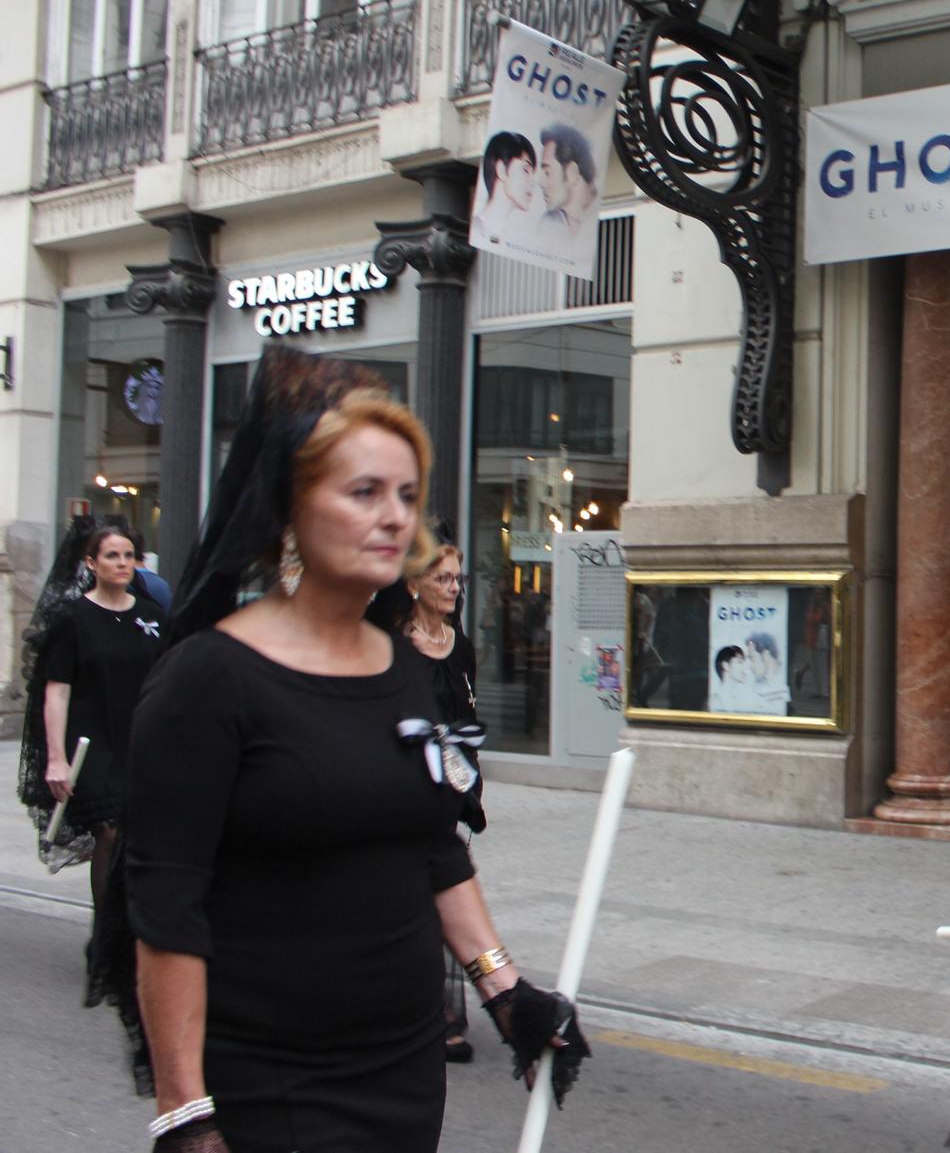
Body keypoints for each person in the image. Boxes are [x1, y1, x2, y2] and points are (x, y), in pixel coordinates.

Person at [125, 346, 586, 1152]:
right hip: (266, 1080)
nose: (395, 517)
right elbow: (168, 908)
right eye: (364, 491)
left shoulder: (402, 668)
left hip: (403, 1071)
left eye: (407, 494)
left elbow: (432, 847)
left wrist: (506, 990)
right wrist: (184, 1112)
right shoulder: (208, 678)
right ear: (292, 505)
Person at [16, 517, 166, 1058]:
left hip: (141, 744)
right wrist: (56, 758)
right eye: (112, 556)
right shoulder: (74, 619)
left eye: (129, 556)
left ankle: (129, 937)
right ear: (91, 564)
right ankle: (108, 943)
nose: (122, 565)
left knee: (137, 840)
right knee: (110, 832)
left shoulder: (152, 618)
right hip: (91, 745)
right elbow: (55, 691)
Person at [368, 538, 486, 1066]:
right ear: (414, 584)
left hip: (450, 790)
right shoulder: (391, 644)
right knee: (408, 901)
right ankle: (414, 1014)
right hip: (398, 786)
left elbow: (467, 715)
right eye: (444, 579)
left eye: (459, 580)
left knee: (442, 896)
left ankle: (440, 1017)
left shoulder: (459, 645)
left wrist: (469, 781)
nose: (454, 589)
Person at [471, 130, 541, 242]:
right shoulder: (477, 229)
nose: (533, 183)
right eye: (525, 170)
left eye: (533, 173)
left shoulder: (510, 236)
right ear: (501, 169)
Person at [537, 122, 599, 248]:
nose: (541, 183)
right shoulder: (550, 224)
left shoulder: (600, 219)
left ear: (572, 172)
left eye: (548, 172)